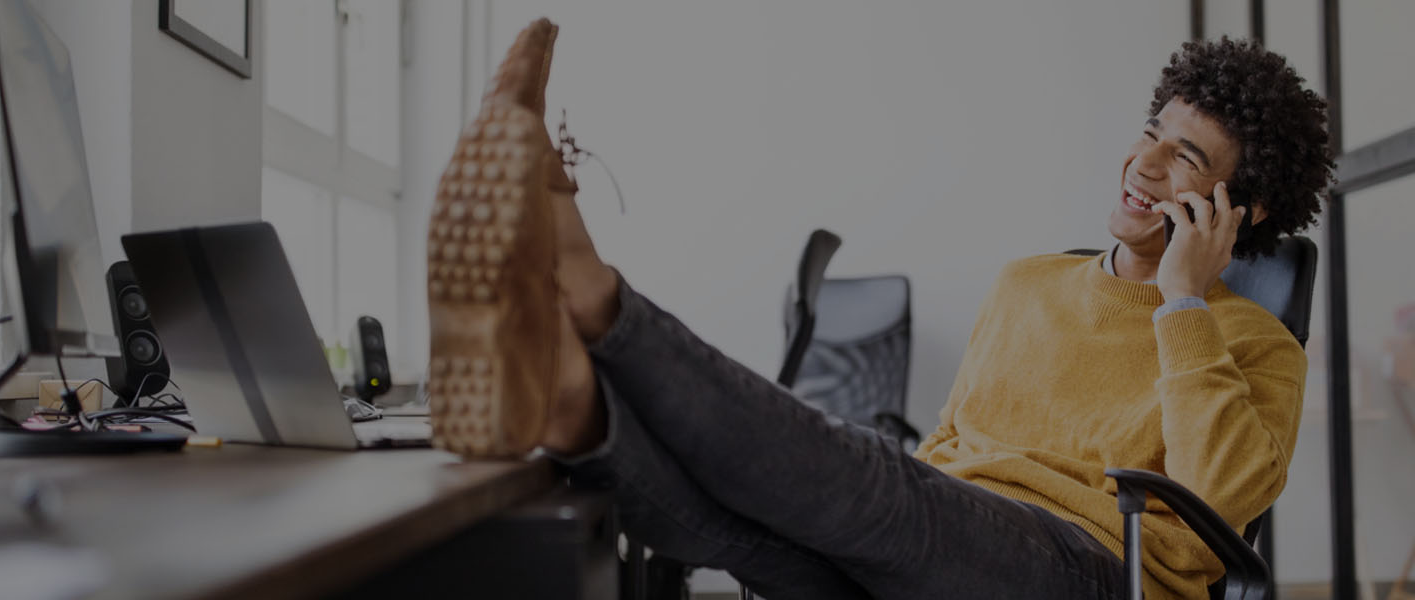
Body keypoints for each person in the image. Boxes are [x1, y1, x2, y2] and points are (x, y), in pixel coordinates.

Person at [423, 20, 1334, 599]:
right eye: (1151, 133)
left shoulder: (1253, 342)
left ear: (1238, 213)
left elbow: (1219, 512)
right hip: (954, 538)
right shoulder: (1027, 283)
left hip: (1091, 570)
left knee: (871, 483)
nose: (1146, 164)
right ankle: (570, 406)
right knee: (751, 535)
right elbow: (949, 448)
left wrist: (1182, 302)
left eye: (1187, 159)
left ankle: (587, 287)